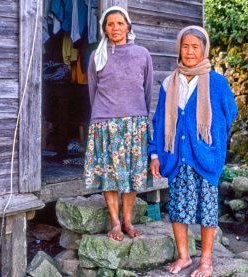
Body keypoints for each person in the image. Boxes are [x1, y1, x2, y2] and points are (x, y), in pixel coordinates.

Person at [149, 26, 238, 277]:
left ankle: (206, 261)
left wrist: (212, 142)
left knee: (207, 210)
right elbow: (159, 121)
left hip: (205, 158)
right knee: (179, 207)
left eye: (195, 47)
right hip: (177, 157)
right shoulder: (170, 82)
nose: (189, 51)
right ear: (179, 48)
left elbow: (230, 114)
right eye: (185, 46)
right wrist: (155, 154)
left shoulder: (217, 83)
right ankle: (184, 256)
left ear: (203, 50)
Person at [84, 6, 153, 241]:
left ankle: (128, 221)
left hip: (135, 123)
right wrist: (105, 113)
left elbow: (147, 90)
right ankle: (114, 222)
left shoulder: (142, 54)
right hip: (105, 123)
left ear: (128, 26)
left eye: (120, 23)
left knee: (133, 174)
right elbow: (93, 90)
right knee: (110, 174)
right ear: (104, 28)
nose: (115, 28)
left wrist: (137, 115)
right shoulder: (97, 56)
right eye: (110, 24)